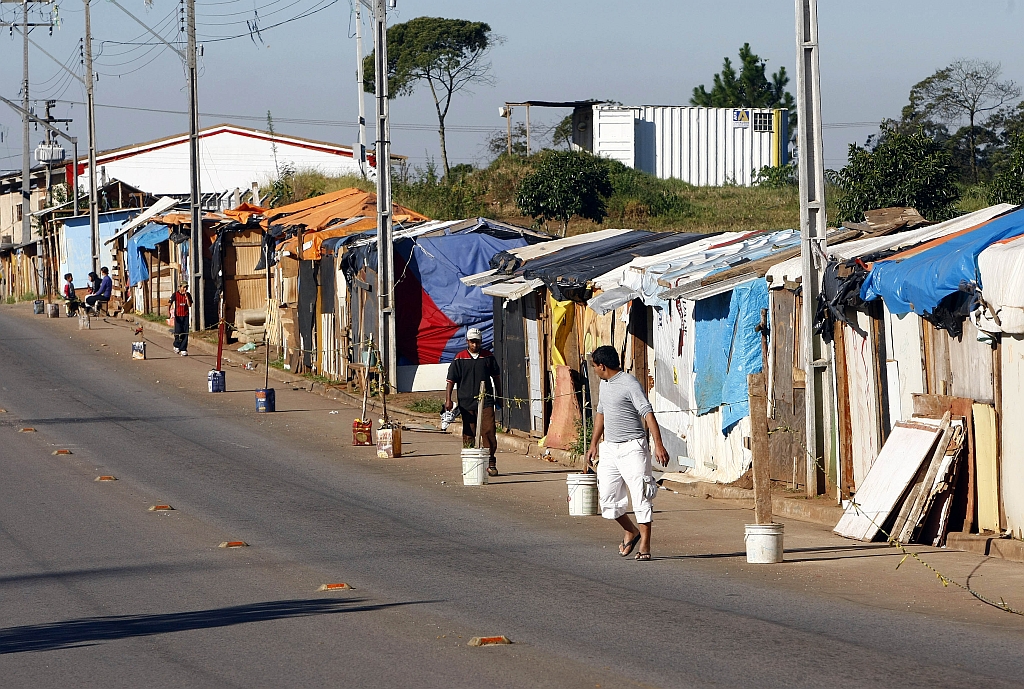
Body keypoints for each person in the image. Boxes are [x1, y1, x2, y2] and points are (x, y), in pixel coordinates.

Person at [584, 345, 670, 561]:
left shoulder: (629, 383)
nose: (594, 369)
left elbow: (647, 413)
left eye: (594, 366)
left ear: (602, 366)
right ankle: (630, 530)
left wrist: (658, 444)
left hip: (633, 448)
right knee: (607, 497)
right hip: (610, 448)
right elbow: (601, 414)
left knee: (641, 495)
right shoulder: (604, 384)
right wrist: (594, 444)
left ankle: (645, 545)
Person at [445, 327, 503, 476]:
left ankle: (490, 462)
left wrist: (499, 396)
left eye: (477, 342)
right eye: (472, 342)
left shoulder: (488, 357)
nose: (475, 345)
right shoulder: (460, 358)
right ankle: (470, 462)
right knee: (469, 432)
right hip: (466, 402)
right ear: (467, 341)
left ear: (481, 342)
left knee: (488, 430)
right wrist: (448, 400)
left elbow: (496, 377)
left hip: (486, 400)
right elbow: (450, 381)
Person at [168, 281, 193, 356]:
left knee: (185, 332)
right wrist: (169, 312)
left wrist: (187, 298)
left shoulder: (188, 295)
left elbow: (190, 305)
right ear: (180, 287)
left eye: (186, 287)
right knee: (178, 332)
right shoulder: (175, 294)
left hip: (185, 315)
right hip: (178, 316)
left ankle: (183, 348)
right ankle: (176, 345)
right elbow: (169, 303)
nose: (185, 289)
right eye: (184, 287)